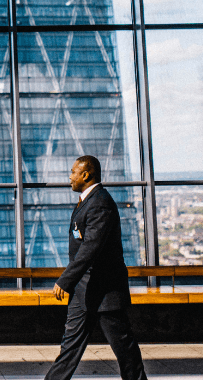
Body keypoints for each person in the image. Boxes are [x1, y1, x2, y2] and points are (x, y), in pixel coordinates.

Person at [44, 155, 148, 380]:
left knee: (124, 349)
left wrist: (65, 280)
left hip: (104, 292)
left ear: (86, 174)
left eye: (73, 172)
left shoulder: (100, 202)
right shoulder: (88, 201)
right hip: (83, 291)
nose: (69, 176)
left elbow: (90, 248)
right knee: (69, 349)